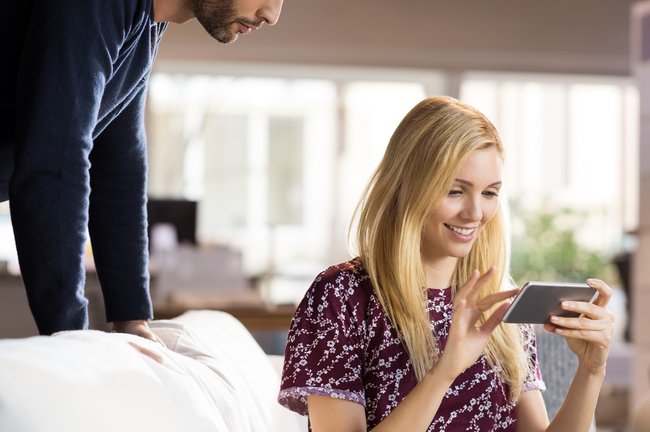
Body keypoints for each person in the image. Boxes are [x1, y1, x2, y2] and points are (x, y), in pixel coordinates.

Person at [278, 96, 614, 431]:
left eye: (489, 193)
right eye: (455, 191)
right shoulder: (341, 296)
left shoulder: (496, 303)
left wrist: (590, 371)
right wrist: (445, 371)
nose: (475, 213)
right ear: (408, 187)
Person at [1, 0, 284, 339]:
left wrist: (131, 316)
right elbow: (54, 163)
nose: (273, 14)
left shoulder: (145, 24)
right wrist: (70, 335)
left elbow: (118, 161)